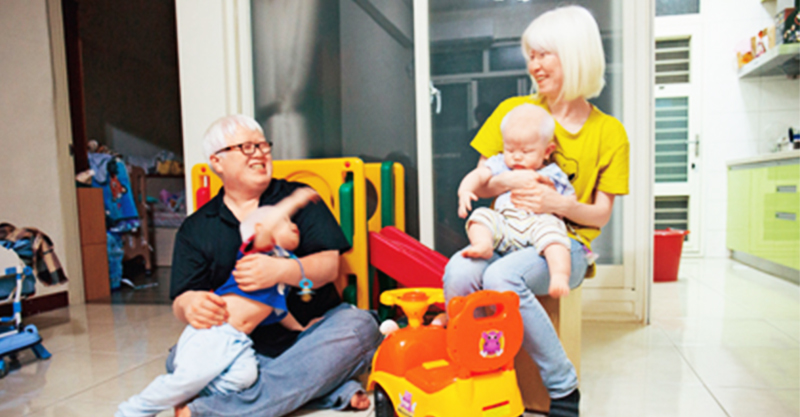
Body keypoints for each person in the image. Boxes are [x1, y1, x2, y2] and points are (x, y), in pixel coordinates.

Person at [442, 6, 630, 417]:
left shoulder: (609, 132)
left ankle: (563, 388)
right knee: (458, 271)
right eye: (531, 55)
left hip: (565, 245)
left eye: (545, 54)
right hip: (508, 234)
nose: (534, 64)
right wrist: (514, 181)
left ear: (575, 55)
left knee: (502, 277)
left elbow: (600, 214)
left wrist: (558, 205)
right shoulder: (516, 113)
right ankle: (473, 369)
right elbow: (484, 180)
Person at [169, 114, 381, 417]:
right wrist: (191, 305)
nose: (259, 153)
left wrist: (282, 271)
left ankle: (214, 411)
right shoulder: (196, 228)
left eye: (263, 145)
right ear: (217, 161)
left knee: (361, 328)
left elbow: (328, 266)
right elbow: (182, 298)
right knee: (178, 356)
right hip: (241, 344)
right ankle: (322, 388)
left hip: (313, 332)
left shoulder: (299, 198)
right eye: (246, 147)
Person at [117, 188, 320, 417]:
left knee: (245, 378)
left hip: (240, 340)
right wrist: (294, 201)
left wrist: (302, 328)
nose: (293, 225)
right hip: (215, 331)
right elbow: (268, 225)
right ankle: (132, 411)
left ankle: (196, 398)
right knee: (185, 381)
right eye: (285, 221)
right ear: (261, 230)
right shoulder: (259, 253)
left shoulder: (282, 268)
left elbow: (281, 311)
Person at [457, 103, 574, 298]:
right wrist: (465, 190)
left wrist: (557, 202)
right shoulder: (500, 164)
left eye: (526, 152)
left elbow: (570, 202)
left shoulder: (553, 173)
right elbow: (478, 175)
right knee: (480, 216)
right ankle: (483, 245)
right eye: (510, 150)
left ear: (547, 151)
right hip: (505, 224)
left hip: (538, 223)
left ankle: (560, 275)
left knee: (555, 238)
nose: (517, 157)